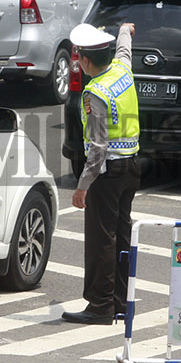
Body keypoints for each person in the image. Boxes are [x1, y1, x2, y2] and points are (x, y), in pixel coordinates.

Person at [61, 22, 140, 325]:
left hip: (107, 174)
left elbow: (97, 147)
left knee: (101, 241)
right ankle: (121, 302)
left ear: (84, 60)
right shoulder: (122, 71)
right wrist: (124, 31)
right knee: (121, 236)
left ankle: (101, 305)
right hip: (131, 168)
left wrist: (83, 185)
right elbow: (124, 50)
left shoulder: (95, 93)